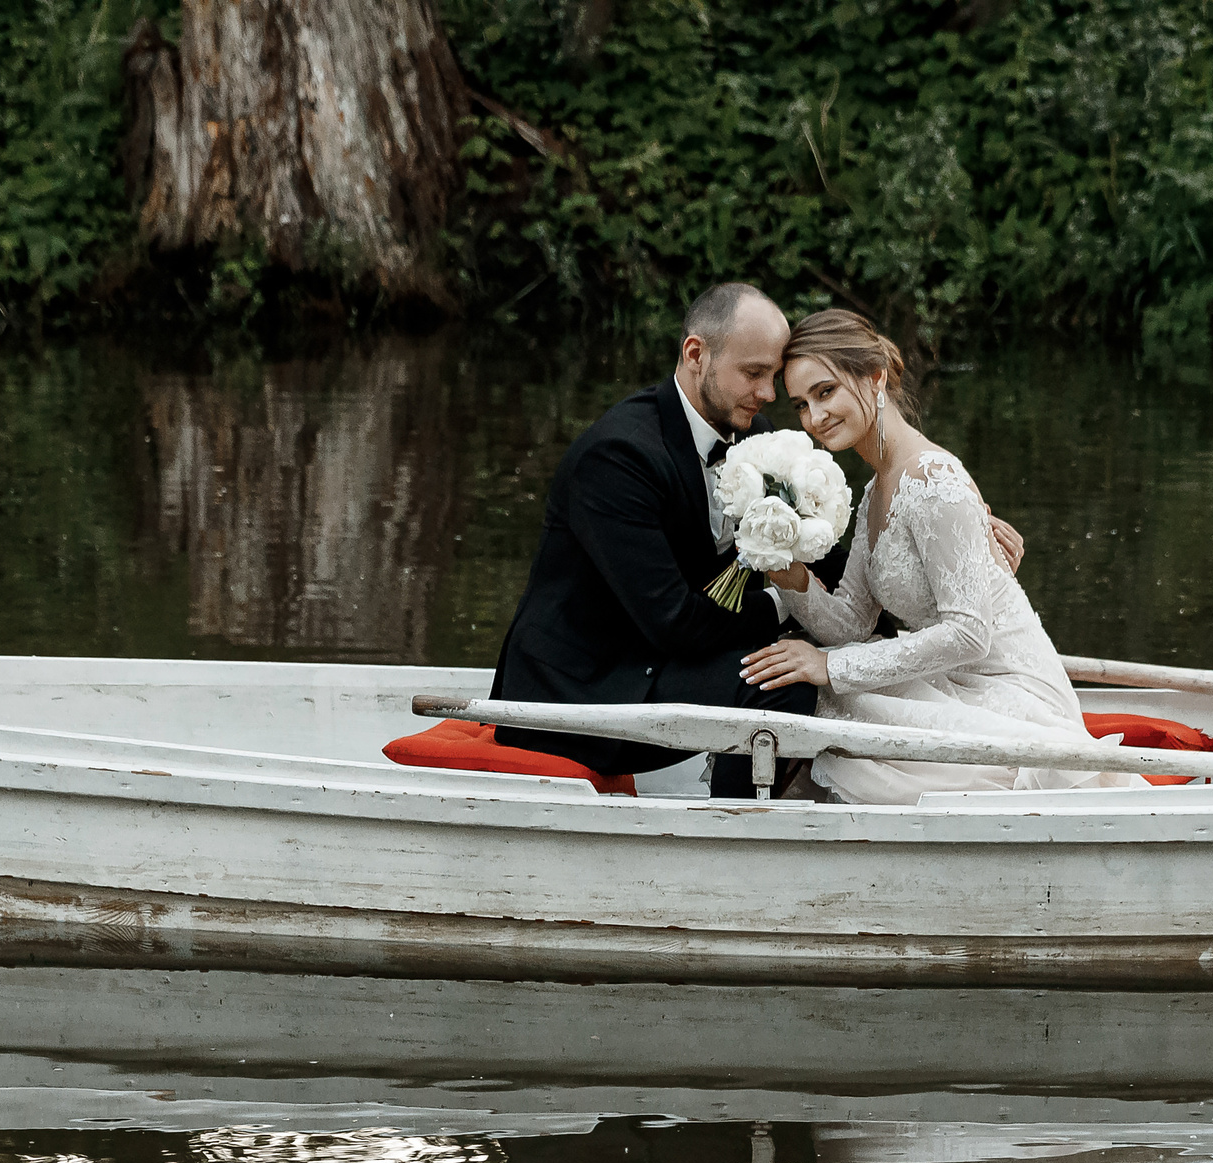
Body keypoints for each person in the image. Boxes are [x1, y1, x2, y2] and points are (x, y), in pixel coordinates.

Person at [490, 283, 1023, 799]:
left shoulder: (753, 432)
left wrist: (948, 544)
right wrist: (780, 606)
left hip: (671, 651)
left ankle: (814, 791)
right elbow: (673, 622)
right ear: (695, 353)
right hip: (588, 686)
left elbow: (822, 556)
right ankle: (737, 828)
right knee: (783, 681)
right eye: (754, 374)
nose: (768, 394)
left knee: (839, 646)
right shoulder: (617, 458)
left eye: (773, 377)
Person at [740, 309, 1147, 805]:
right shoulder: (875, 494)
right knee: (834, 692)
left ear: (875, 376)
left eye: (825, 392)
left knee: (841, 693)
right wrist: (787, 571)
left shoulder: (932, 480)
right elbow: (849, 623)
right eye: (801, 404)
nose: (815, 417)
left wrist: (831, 666)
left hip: (1010, 693)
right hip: (953, 681)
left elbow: (970, 632)